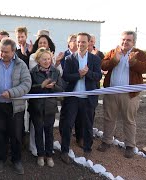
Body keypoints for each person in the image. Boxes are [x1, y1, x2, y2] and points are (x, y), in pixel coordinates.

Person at [0, 38, 31, 175]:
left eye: (6, 52)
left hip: (15, 106)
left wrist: (11, 92)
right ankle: (0, 159)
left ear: (14, 51)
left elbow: (27, 84)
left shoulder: (21, 65)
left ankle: (17, 160)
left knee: (16, 135)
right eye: (1, 51)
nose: (2, 54)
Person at [97, 31, 146, 158]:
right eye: (123, 39)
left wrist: (133, 62)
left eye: (128, 40)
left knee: (129, 120)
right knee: (109, 118)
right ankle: (106, 141)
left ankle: (130, 146)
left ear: (133, 42)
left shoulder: (139, 53)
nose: (125, 42)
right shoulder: (113, 52)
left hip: (129, 94)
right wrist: (115, 59)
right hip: (111, 92)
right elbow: (103, 64)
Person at [60, 32, 102, 164]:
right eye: (78, 41)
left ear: (89, 43)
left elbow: (98, 77)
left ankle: (87, 149)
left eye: (83, 42)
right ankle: (64, 151)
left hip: (88, 98)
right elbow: (66, 77)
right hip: (73, 97)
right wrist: (79, 75)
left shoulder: (95, 59)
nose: (80, 44)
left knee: (88, 125)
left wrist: (87, 73)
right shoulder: (69, 59)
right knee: (68, 125)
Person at [28, 48, 64, 167]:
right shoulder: (32, 72)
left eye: (49, 59)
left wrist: (53, 87)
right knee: (38, 132)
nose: (47, 61)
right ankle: (40, 155)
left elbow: (61, 90)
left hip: (50, 108)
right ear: (38, 60)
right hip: (36, 108)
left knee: (49, 133)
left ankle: (49, 156)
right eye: (44, 59)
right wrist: (41, 86)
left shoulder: (55, 72)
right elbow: (29, 89)